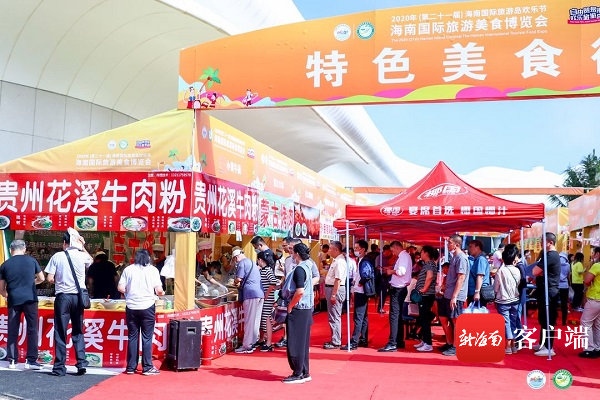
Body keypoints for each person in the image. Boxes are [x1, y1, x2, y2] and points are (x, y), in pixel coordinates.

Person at [45, 231, 93, 376]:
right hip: (78, 297)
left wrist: (60, 279)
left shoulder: (57, 256)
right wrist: (83, 246)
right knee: (78, 330)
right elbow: (91, 260)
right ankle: (81, 363)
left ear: (64, 243)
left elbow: (50, 278)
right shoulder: (82, 255)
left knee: (60, 331)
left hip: (63, 297)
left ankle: (59, 367)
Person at [117, 249, 164, 375]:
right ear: (148, 258)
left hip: (131, 306)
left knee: (132, 336)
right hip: (147, 306)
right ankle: (147, 367)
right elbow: (159, 290)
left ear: (135, 258)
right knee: (147, 337)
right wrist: (161, 293)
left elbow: (120, 288)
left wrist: (129, 291)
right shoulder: (153, 270)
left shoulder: (128, 270)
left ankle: (131, 367)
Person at [0, 240, 45, 369]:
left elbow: (1, 289)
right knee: (32, 329)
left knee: (13, 329)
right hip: (30, 299)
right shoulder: (32, 261)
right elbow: (42, 278)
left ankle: (12, 360)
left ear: (11, 250)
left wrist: (7, 294)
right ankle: (31, 360)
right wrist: (32, 283)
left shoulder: (5, 265)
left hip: (14, 300)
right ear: (24, 249)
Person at [281, 243, 314, 384]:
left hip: (299, 308)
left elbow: (300, 291)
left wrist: (290, 306)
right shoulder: (308, 266)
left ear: (297, 254)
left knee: (295, 342)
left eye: (292, 251)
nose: (291, 254)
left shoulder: (300, 269)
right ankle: (304, 371)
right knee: (302, 342)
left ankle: (298, 372)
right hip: (305, 308)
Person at [379, 240, 412, 352]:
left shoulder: (403, 256)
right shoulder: (405, 256)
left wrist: (391, 271)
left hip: (398, 288)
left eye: (393, 250)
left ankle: (393, 342)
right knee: (397, 316)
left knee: (394, 316)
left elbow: (401, 271)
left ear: (397, 247)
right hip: (400, 287)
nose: (393, 253)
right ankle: (398, 340)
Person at [438, 234, 468, 357]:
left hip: (456, 295)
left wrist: (455, 296)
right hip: (448, 293)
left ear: (456, 244)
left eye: (450, 243)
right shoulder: (454, 257)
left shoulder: (461, 258)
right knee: (443, 317)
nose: (448, 245)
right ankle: (450, 343)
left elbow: (461, 278)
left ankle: (456, 346)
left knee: (456, 320)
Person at [342, 240, 375, 350]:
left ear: (363, 249)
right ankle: (363, 338)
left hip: (361, 291)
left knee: (358, 317)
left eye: (357, 248)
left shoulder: (364, 261)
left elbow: (367, 275)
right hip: (361, 290)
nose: (355, 250)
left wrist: (360, 282)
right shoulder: (362, 260)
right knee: (363, 316)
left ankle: (354, 341)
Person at [532, 232, 561, 356]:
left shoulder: (551, 255)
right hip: (545, 290)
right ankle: (543, 343)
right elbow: (537, 272)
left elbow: (535, 271)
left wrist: (539, 273)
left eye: (543, 241)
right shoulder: (547, 255)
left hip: (549, 291)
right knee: (543, 318)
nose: (541, 244)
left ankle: (549, 347)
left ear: (550, 242)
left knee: (548, 319)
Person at [233, 249, 264, 353]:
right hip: (260, 293)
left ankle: (246, 345)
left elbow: (239, 279)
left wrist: (234, 282)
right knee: (255, 320)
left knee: (249, 321)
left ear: (236, 257)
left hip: (250, 294)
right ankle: (253, 342)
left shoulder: (242, 263)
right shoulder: (252, 262)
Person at [494, 245, 521, 355]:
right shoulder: (517, 270)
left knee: (506, 323)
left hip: (503, 299)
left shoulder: (501, 271)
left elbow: (496, 286)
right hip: (515, 299)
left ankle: (508, 346)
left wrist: (495, 294)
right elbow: (518, 283)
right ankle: (513, 345)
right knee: (513, 321)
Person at [413, 245, 439, 353]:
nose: (421, 254)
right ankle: (425, 341)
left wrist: (424, 289)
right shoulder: (429, 264)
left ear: (426, 253)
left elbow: (430, 276)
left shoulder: (429, 264)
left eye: (422, 252)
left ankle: (428, 343)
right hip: (426, 295)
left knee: (424, 319)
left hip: (426, 295)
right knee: (423, 319)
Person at [322, 241, 346, 350]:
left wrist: (334, 294)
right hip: (332, 289)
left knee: (334, 316)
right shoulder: (337, 260)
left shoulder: (339, 262)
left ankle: (336, 341)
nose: (329, 251)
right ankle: (335, 339)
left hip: (334, 289)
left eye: (331, 248)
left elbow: (338, 279)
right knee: (333, 315)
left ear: (336, 249)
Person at [578, 247, 600, 358]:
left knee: (585, 322)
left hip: (595, 297)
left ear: (598, 254)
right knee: (597, 324)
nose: (592, 255)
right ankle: (597, 347)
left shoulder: (596, 266)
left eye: (593, 253)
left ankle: (589, 349)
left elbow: (587, 280)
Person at [256, 251, 278, 352]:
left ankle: (268, 342)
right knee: (262, 319)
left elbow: (273, 282)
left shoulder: (267, 270)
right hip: (265, 298)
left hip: (267, 299)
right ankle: (261, 339)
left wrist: (267, 294)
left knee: (266, 319)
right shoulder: (263, 270)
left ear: (260, 260)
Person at [467, 240, 491, 306]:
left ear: (477, 247)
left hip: (478, 292)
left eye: (471, 247)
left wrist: (477, 292)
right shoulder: (477, 259)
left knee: (476, 311)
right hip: (475, 291)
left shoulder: (481, 259)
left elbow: (480, 276)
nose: (469, 249)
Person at [374, 245, 393, 314]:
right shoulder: (379, 257)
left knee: (384, 293)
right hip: (380, 277)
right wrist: (386, 269)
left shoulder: (387, 258)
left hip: (386, 277)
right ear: (385, 251)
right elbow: (377, 267)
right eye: (389, 251)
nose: (390, 252)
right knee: (382, 292)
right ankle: (379, 307)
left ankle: (380, 307)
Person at [558, 252, 571, 326]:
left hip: (557, 285)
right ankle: (563, 321)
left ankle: (554, 320)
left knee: (554, 303)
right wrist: (569, 283)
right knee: (564, 304)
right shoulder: (568, 265)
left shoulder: (556, 264)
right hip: (565, 285)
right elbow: (568, 276)